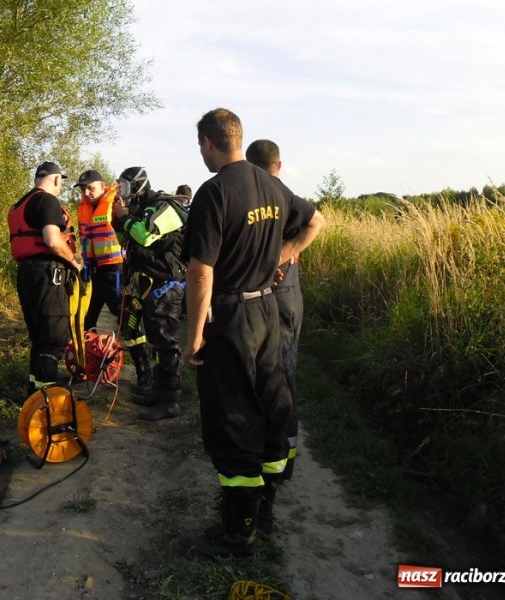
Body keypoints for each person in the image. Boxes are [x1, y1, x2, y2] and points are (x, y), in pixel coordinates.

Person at [179, 108, 325, 558]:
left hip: (231, 319)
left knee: (233, 418)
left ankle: (238, 532)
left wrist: (195, 334)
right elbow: (317, 220)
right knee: (269, 408)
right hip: (267, 312)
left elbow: (201, 271)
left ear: (207, 142)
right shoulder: (271, 185)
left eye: (200, 145)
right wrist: (284, 255)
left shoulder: (214, 192)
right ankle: (265, 510)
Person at [246, 139, 303, 482]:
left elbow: (316, 220)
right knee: (283, 375)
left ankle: (278, 457)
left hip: (275, 295)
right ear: (279, 164)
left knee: (273, 377)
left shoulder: (269, 196)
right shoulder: (286, 196)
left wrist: (272, 261)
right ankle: (283, 455)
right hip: (288, 293)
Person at [112, 167, 188, 421]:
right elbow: (128, 238)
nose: (121, 191)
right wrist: (118, 218)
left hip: (167, 287)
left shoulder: (165, 207)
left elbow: (145, 235)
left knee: (167, 343)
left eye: (124, 186)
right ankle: (158, 391)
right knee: (156, 340)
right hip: (148, 285)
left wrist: (123, 217)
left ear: (138, 186)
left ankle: (171, 400)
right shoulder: (139, 210)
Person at [8, 161, 82, 394]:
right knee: (53, 338)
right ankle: (50, 402)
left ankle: (35, 395)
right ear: (57, 179)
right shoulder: (48, 201)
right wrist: (73, 261)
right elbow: (52, 240)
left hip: (26, 275)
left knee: (39, 339)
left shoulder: (19, 204)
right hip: (48, 275)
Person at [74, 170, 124, 331]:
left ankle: (139, 352)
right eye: (83, 190)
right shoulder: (84, 208)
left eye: (90, 188)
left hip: (115, 268)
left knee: (120, 312)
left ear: (103, 186)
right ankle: (92, 353)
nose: (87, 193)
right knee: (88, 318)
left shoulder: (116, 203)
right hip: (93, 270)